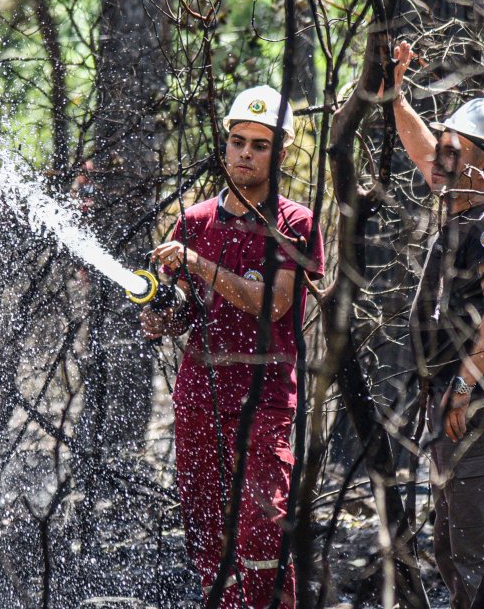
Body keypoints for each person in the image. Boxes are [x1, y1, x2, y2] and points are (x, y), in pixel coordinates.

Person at [140, 85, 324, 608]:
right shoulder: (194, 221)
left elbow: (274, 304)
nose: (245, 153)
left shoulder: (295, 224)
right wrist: (160, 316)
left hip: (264, 400)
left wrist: (198, 264)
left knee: (262, 535)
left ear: (280, 153)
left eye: (260, 145)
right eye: (238, 141)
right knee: (208, 539)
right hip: (199, 398)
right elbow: (183, 309)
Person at [388, 42, 484, 609]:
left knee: (473, 554)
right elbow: (419, 144)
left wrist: (464, 387)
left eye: (455, 151)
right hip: (454, 403)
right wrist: (396, 93)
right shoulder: (460, 209)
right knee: (458, 551)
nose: (439, 160)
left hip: (478, 406)